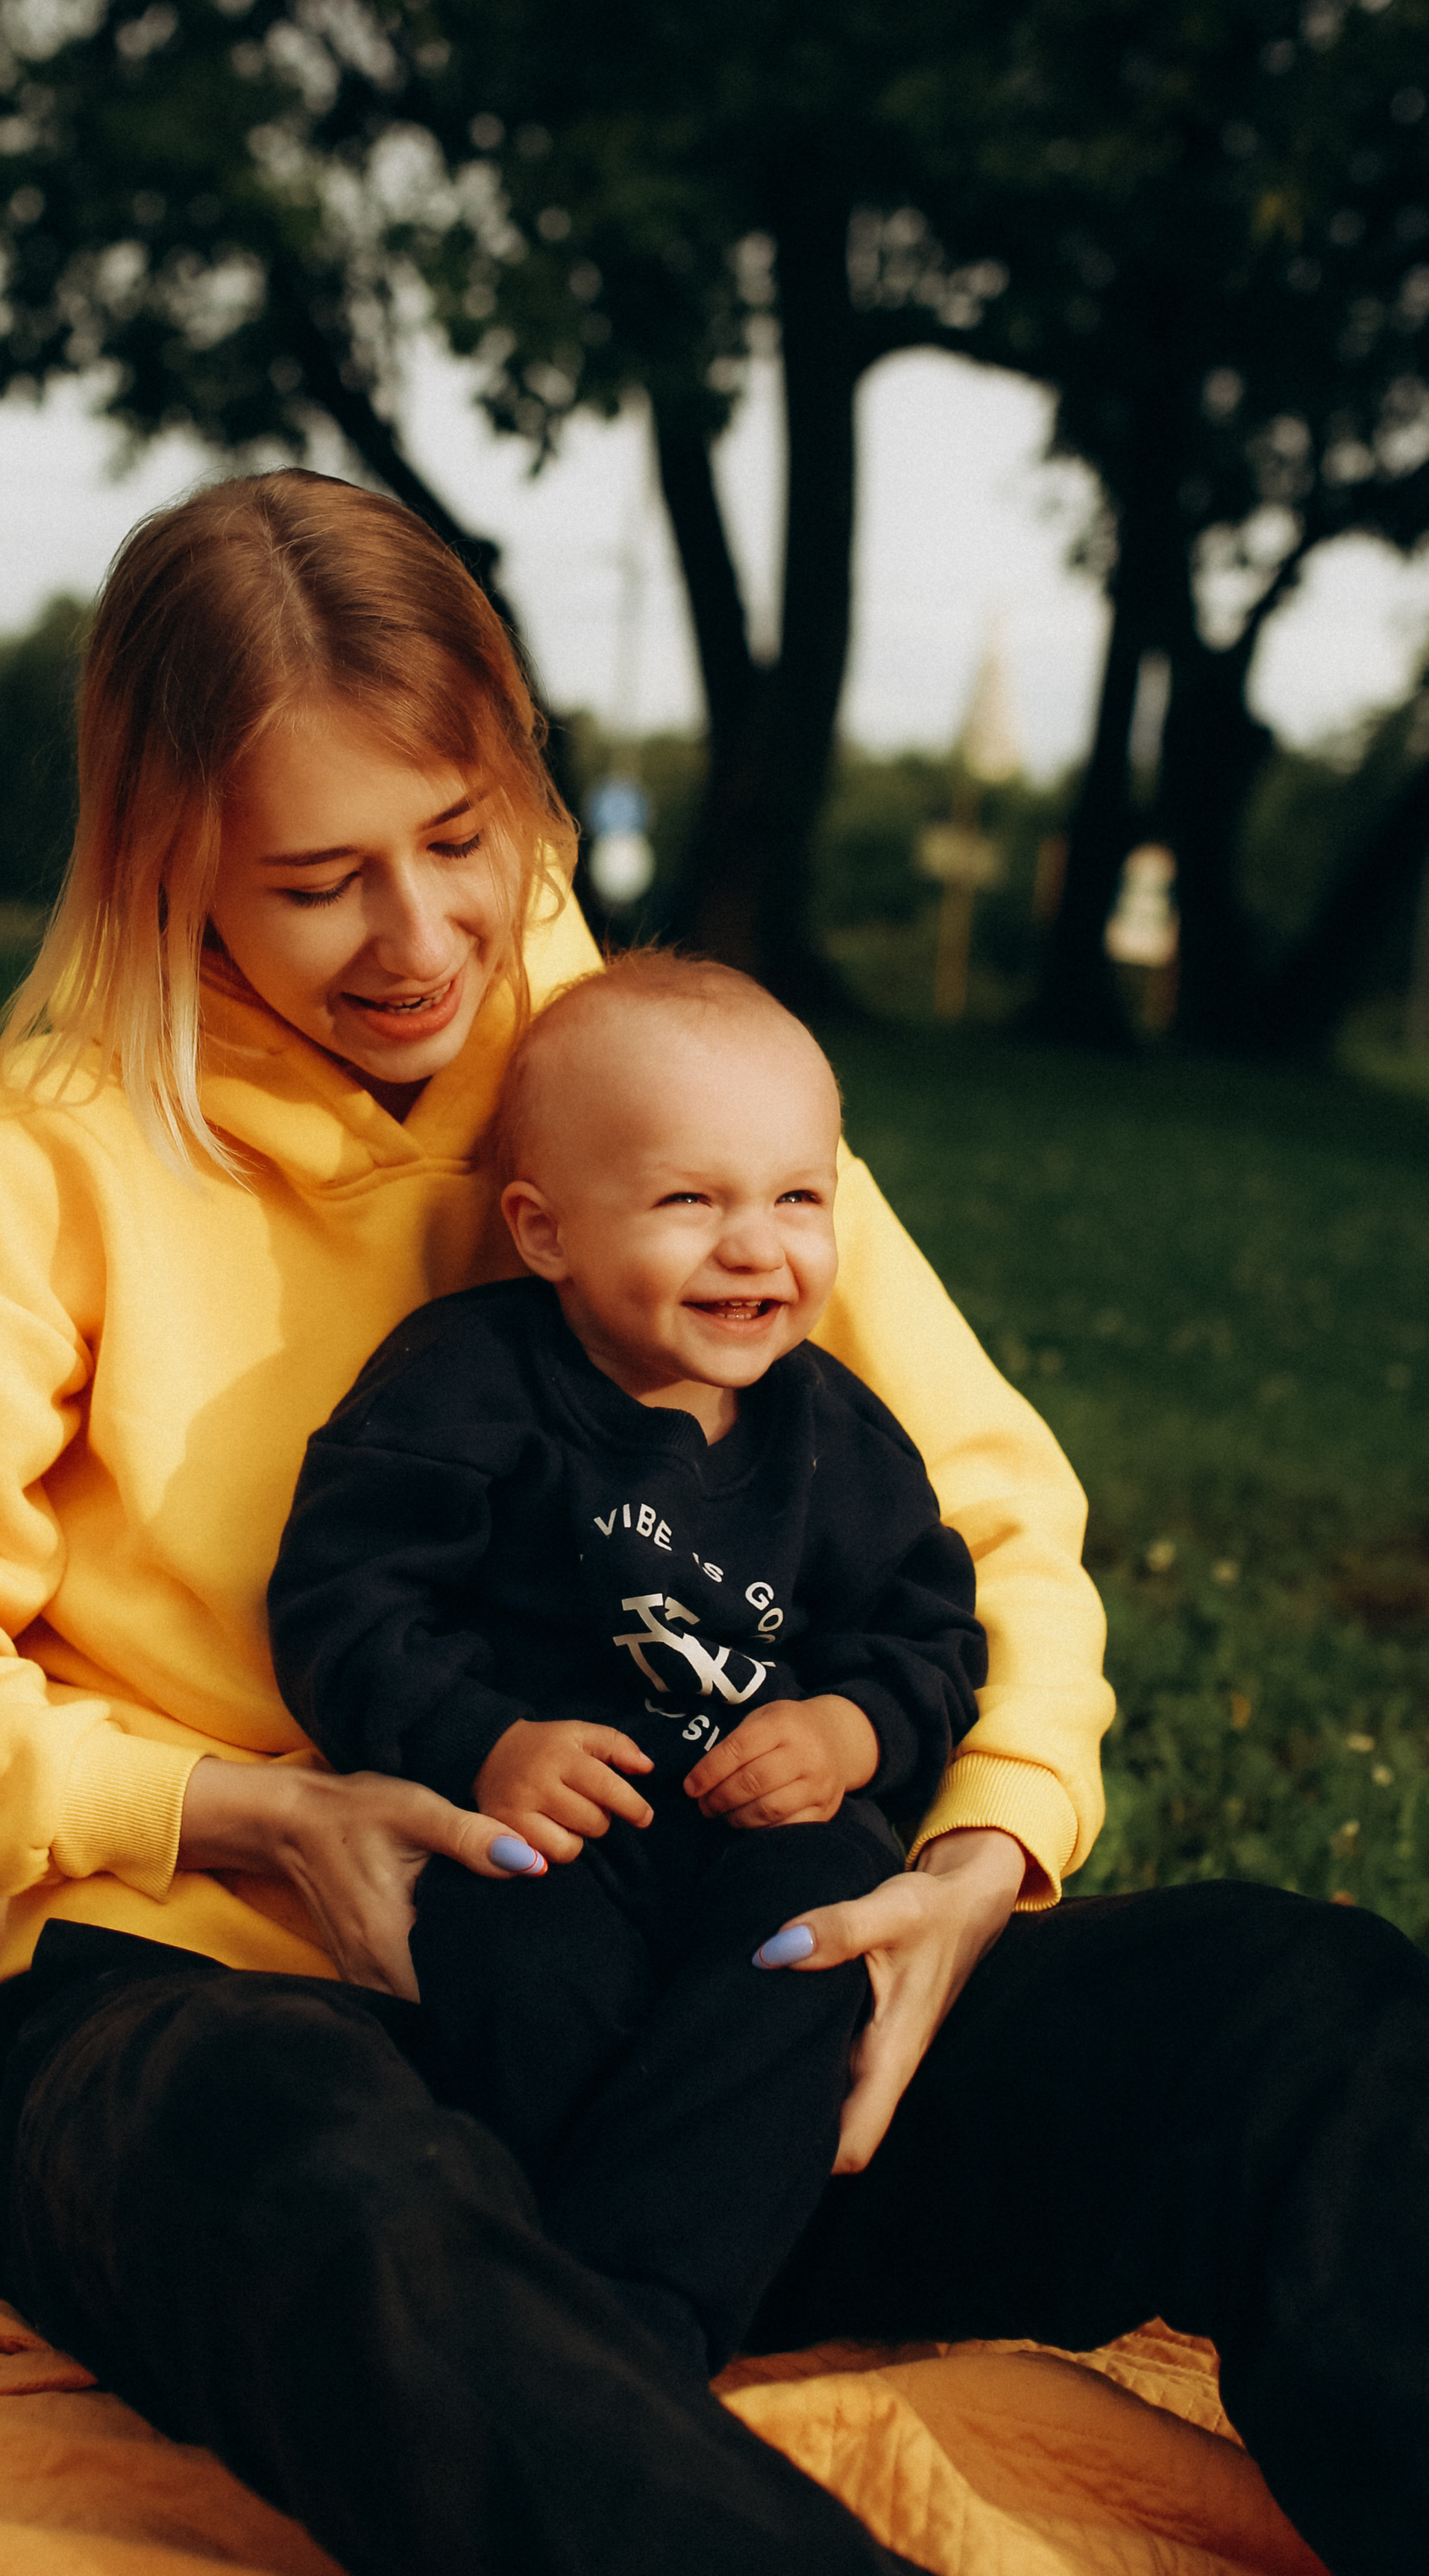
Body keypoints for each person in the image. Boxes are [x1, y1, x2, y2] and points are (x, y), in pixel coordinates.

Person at [0, 468, 1426, 2576]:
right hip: (255, 2004)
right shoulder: (21, 1172)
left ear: (518, 772)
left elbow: (985, 1505)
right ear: (172, 867)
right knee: (324, 2189)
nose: (422, 936)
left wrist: (981, 1860)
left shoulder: (658, 1091)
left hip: (738, 2008)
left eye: (459, 840)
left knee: (1309, 2011)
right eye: (318, 881)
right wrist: (257, 1816)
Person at [268, 954, 985, 2376]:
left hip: (762, 1831)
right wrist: (480, 1738)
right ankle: (570, 2267)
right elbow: (341, 1604)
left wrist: (846, 1732)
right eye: (688, 1201)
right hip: (553, 1829)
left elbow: (932, 1635)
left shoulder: (839, 1438)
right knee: (525, 1969)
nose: (755, 1247)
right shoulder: (466, 1388)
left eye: (797, 1197)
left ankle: (646, 2308)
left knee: (810, 1955)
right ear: (542, 1233)